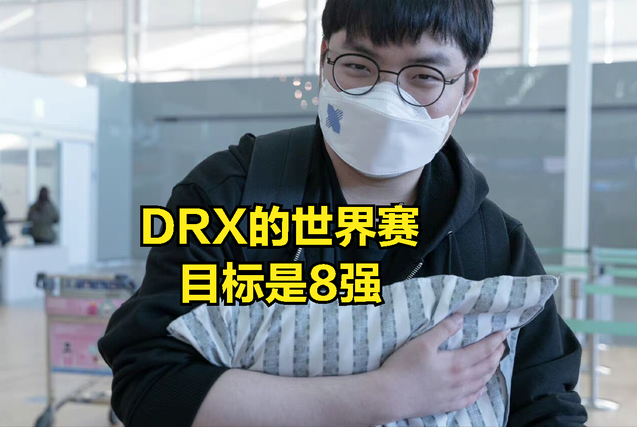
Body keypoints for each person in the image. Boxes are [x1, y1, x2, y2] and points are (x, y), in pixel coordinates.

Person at [99, 1, 587, 426]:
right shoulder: (229, 198)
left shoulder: (494, 249)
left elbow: (546, 407)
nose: (386, 100)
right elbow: (150, 384)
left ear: (468, 88)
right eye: (358, 65)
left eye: (424, 76)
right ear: (323, 60)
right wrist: (387, 395)